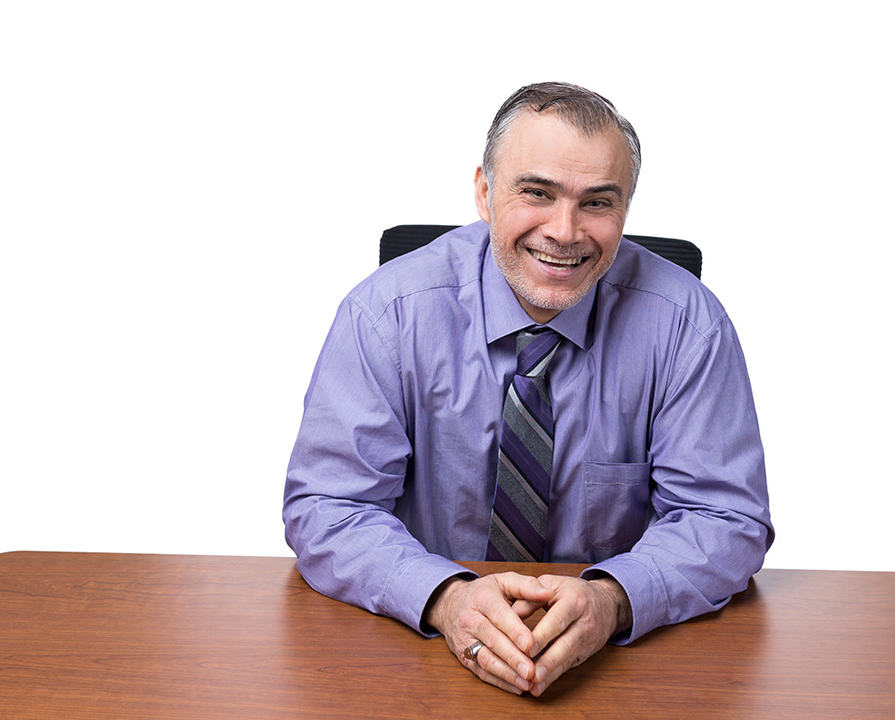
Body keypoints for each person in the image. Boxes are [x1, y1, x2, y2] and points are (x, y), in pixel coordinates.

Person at [283, 81, 773, 697]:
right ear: (485, 193)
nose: (565, 232)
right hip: (419, 657)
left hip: (613, 671)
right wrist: (442, 597)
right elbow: (328, 507)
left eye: (598, 202)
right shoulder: (385, 315)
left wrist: (614, 599)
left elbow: (726, 518)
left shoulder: (687, 325)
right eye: (536, 193)